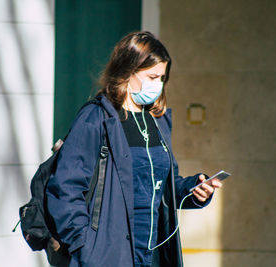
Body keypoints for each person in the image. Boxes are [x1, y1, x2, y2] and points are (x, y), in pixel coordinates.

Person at [46, 31, 222, 267]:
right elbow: (65, 188)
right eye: (152, 76)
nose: (158, 84)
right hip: (108, 256)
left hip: (154, 256)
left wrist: (194, 189)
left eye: (162, 78)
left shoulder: (157, 121)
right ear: (127, 71)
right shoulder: (97, 117)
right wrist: (86, 246)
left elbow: (163, 187)